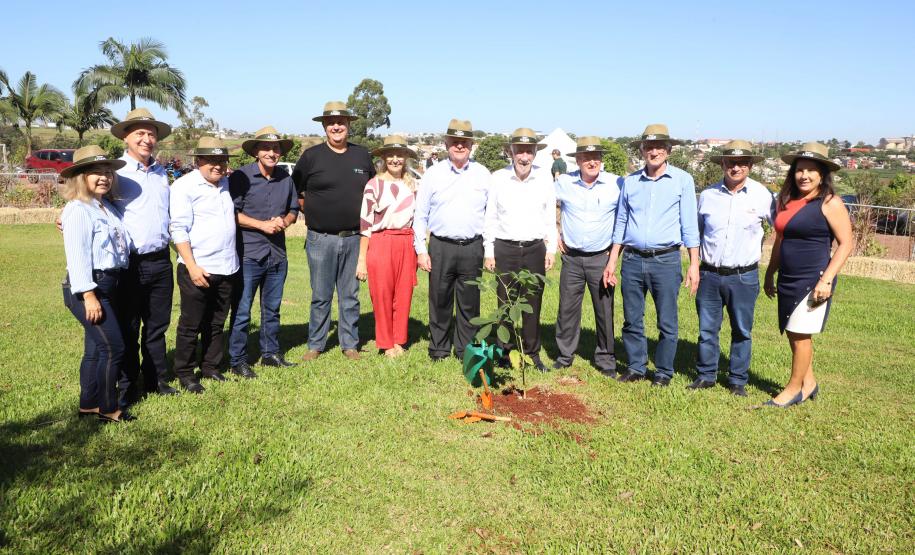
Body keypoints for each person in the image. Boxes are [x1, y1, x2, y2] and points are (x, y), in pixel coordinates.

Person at [602, 124, 700, 387]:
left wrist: (694, 264)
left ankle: (664, 371)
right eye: (648, 146)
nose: (653, 151)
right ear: (642, 150)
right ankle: (636, 366)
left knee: (666, 320)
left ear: (668, 150)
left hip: (666, 260)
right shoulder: (631, 181)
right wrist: (612, 260)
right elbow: (621, 222)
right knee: (632, 318)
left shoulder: (683, 180)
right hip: (632, 260)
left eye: (659, 146)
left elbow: (690, 225)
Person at [763, 142, 853, 407]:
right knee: (794, 332)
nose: (804, 175)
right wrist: (770, 273)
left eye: (811, 170)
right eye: (800, 170)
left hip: (814, 280)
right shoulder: (787, 201)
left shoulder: (830, 202)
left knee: (801, 334)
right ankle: (809, 382)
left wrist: (826, 281)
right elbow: (780, 239)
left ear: (822, 175)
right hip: (788, 278)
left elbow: (846, 244)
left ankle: (793, 390)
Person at [292, 101, 375, 362]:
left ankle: (349, 344)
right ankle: (316, 344)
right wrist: (313, 212)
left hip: (353, 237)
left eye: (341, 122)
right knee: (320, 295)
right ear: (324, 127)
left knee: (350, 295)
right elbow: (296, 190)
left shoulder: (362, 155)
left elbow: (373, 190)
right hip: (320, 238)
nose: (336, 127)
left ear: (349, 125)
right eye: (331, 123)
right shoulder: (311, 156)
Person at [693, 140, 775, 396]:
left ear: (750, 166)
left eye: (741, 163)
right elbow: (697, 234)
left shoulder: (763, 196)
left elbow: (781, 229)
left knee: (742, 330)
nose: (736, 167)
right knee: (707, 329)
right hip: (710, 274)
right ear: (723, 165)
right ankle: (706, 375)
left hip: (744, 275)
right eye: (731, 163)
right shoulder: (707, 196)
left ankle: (737, 380)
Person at [59, 146, 133, 422]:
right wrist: (88, 294)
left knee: (94, 348)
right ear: (80, 176)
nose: (104, 177)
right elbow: (77, 256)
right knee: (114, 347)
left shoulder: (105, 207)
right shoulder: (77, 210)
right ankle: (109, 408)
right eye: (95, 172)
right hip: (89, 287)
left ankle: (88, 404)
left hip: (108, 284)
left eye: (107, 172)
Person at [110, 108, 177, 401]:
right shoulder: (115, 173)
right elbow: (90, 200)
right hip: (130, 264)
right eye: (140, 133)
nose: (147, 139)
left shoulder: (162, 173)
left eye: (151, 134)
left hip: (161, 261)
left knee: (157, 326)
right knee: (129, 327)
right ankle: (127, 388)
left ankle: (156, 381)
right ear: (126, 136)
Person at [413, 119, 490, 361]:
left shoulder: (482, 174)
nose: (459, 146)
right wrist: (421, 250)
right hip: (440, 246)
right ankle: (438, 348)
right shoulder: (433, 174)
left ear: (471, 145)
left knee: (469, 303)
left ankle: (464, 349)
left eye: (464, 142)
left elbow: (490, 216)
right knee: (440, 299)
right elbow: (420, 214)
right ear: (446, 144)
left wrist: (489, 250)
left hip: (472, 247)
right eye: (455, 142)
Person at [227, 126, 299, 378]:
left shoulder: (286, 178)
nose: (271, 152)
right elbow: (232, 214)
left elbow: (293, 209)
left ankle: (270, 354)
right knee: (243, 310)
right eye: (266, 148)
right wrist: (262, 225)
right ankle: (238, 360)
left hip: (277, 255)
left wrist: (284, 221)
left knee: (272, 308)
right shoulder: (240, 177)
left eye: (276, 148)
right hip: (249, 255)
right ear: (256, 151)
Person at [169, 137, 240, 393]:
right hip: (197, 267)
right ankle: (186, 373)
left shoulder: (227, 184)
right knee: (191, 323)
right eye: (212, 160)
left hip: (227, 266)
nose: (218, 166)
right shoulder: (184, 186)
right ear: (199, 161)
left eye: (222, 160)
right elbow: (177, 228)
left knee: (216, 322)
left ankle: (211, 366)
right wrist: (191, 266)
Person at [483, 128, 556, 371]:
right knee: (504, 303)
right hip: (505, 249)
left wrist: (551, 248)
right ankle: (504, 352)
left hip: (535, 249)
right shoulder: (497, 178)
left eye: (529, 152)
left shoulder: (545, 178)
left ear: (535, 154)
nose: (524, 157)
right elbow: (490, 217)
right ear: (510, 152)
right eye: (519, 151)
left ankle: (532, 353)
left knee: (533, 302)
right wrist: (489, 251)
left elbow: (550, 216)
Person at [554, 136, 622, 376]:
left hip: (600, 258)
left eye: (596, 157)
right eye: (586, 157)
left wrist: (614, 254)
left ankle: (605, 358)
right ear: (578, 160)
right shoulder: (564, 182)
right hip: (571, 258)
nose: (591, 162)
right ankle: (564, 355)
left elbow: (624, 219)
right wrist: (554, 234)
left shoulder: (617, 184)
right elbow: (542, 206)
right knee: (567, 308)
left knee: (604, 309)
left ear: (601, 160)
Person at [356, 135, 420, 357]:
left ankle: (399, 340)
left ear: (405, 158)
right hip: (381, 241)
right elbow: (365, 223)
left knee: (403, 294)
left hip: (406, 242)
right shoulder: (373, 185)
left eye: (399, 155)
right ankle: (385, 342)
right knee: (382, 294)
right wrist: (362, 259)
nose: (395, 159)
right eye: (390, 155)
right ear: (383, 158)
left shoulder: (413, 185)